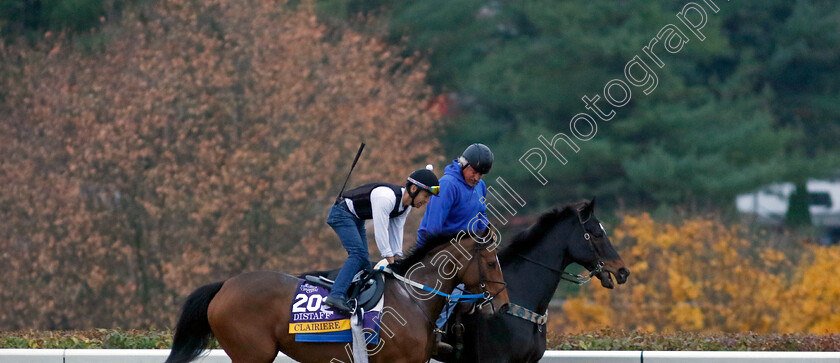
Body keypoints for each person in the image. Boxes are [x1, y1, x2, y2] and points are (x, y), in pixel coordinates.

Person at [324, 166, 440, 313]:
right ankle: (336, 295)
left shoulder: (405, 206)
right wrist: (391, 261)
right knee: (358, 255)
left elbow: (397, 230)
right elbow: (381, 231)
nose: (427, 201)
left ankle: (351, 294)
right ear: (414, 189)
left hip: (356, 218)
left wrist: (398, 259)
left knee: (365, 263)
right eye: (426, 196)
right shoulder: (386, 198)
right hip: (341, 213)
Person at [416, 143, 493, 355]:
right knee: (454, 289)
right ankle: (433, 335)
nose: (476, 177)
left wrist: (486, 237)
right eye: (474, 171)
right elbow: (431, 227)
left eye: (481, 174)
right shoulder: (447, 185)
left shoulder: (480, 187)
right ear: (463, 164)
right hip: (442, 254)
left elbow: (481, 216)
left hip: (467, 254)